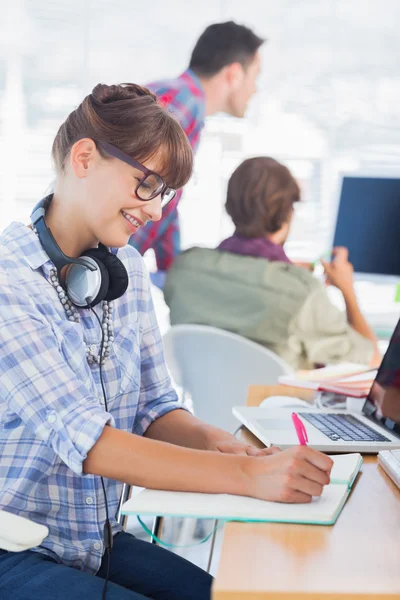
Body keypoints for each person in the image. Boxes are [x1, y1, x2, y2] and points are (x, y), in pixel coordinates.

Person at [0, 85, 333, 600]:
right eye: (147, 184)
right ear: (84, 157)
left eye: (165, 193)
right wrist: (245, 475)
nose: (155, 212)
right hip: (16, 549)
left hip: (97, 543)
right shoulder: (9, 282)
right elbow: (85, 441)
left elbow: (155, 409)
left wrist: (239, 450)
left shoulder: (124, 268)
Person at [164, 156, 381, 370]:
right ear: (286, 214)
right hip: (275, 404)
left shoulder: (185, 268)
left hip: (200, 403)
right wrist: (347, 289)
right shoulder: (302, 293)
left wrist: (283, 274)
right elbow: (373, 360)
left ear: (230, 205)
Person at [129, 21, 264, 273]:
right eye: (255, 77)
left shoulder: (180, 100)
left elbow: (163, 198)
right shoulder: (182, 103)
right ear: (234, 74)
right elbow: (132, 186)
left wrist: (174, 272)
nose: (255, 89)